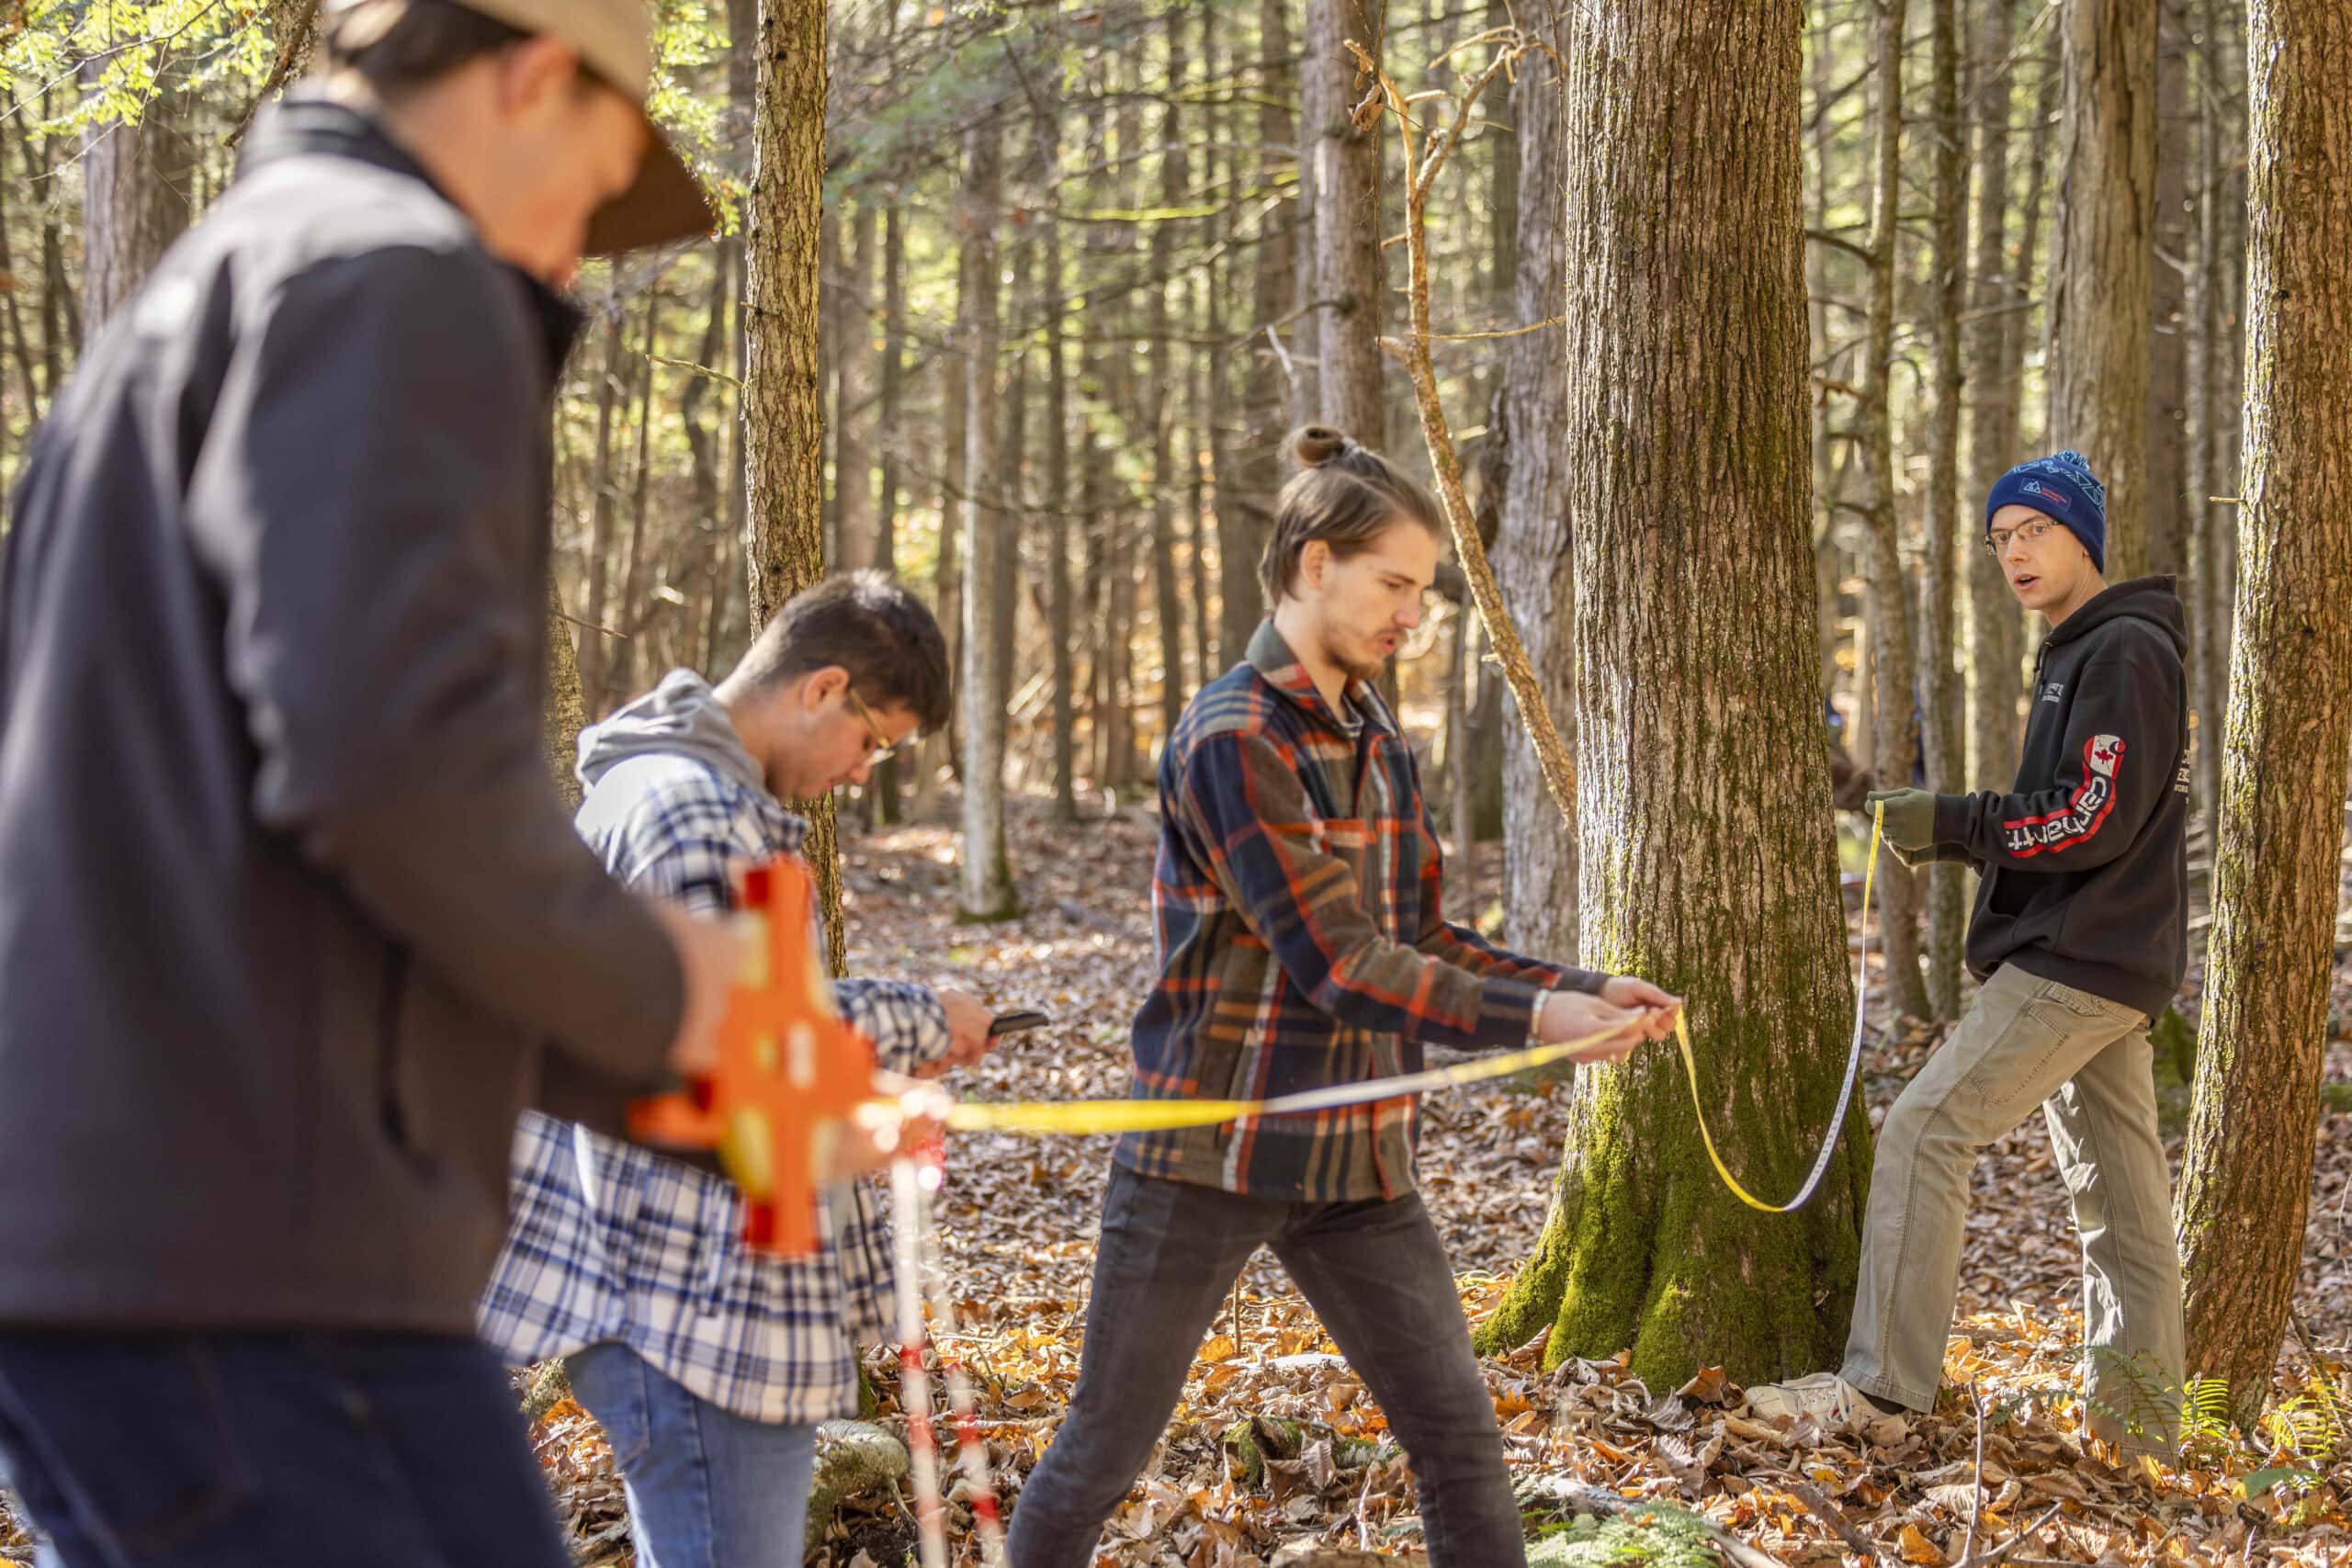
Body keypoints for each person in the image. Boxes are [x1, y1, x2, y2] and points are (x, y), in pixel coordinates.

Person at [0, 4, 771, 1563]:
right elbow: (387, 769)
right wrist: (686, 997)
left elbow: (294, 884)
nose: (576, 256)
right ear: (535, 75)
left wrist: (697, 1094)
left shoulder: (198, 300)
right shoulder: (392, 277)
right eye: (596, 185)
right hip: (260, 1274)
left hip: (123, 1248)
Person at [1005, 427, 1682, 1568]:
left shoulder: (1376, 737)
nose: (1411, 615)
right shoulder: (1230, 737)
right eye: (1395, 585)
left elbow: (1421, 937)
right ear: (1313, 564)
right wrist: (1540, 1024)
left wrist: (1576, 985)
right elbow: (1339, 963)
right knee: (1102, 1454)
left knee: (1459, 1442)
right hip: (1207, 1159)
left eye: (1422, 591)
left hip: (1355, 1162)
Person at [480, 572, 996, 1566]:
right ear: (821, 687)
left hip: (700, 1296)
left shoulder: (686, 797)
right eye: (873, 741)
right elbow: (731, 1058)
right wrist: (914, 1018)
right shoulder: (695, 817)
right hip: (689, 1308)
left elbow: (722, 1023)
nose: (861, 773)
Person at [1749, 450, 2191, 1461]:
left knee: (1922, 1133)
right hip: (2107, 960)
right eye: (1998, 539)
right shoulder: (2083, 649)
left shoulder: (2119, 649)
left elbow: (2093, 816)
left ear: (2082, 534)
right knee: (2120, 1210)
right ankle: (2142, 1445)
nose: (2014, 553)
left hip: (2076, 961)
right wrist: (1954, 830)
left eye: (2033, 531)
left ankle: (1882, 1394)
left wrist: (1955, 821)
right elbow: (2082, 810)